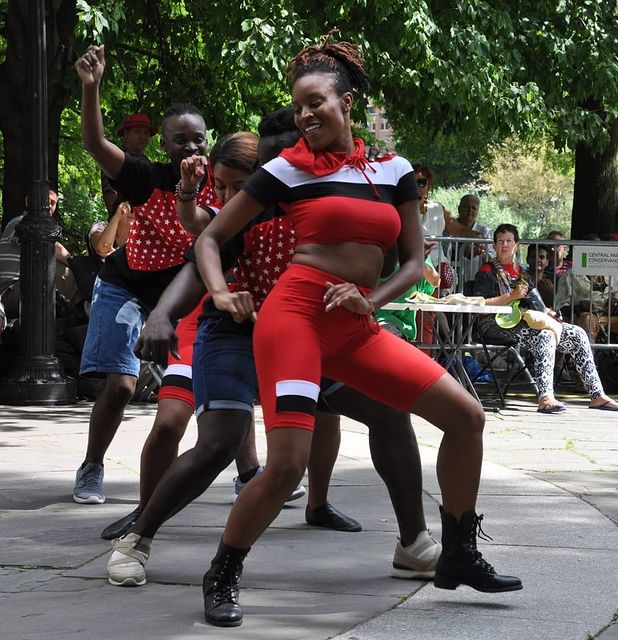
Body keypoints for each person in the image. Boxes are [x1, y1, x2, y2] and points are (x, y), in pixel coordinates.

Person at [194, 37, 521, 627]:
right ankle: (222, 572)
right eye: (297, 108)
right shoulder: (283, 170)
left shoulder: (394, 172)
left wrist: (369, 298)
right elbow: (210, 238)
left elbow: (415, 262)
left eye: (316, 103)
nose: (305, 115)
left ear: (346, 102)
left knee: (466, 418)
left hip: (353, 325)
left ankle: (458, 554)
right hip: (293, 319)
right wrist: (219, 291)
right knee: (287, 464)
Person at [105, 114, 440, 587]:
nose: (226, 197)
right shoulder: (255, 206)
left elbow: (387, 259)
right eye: (223, 187)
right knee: (220, 440)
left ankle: (415, 545)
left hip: (310, 332)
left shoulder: (339, 199)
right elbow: (204, 254)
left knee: (388, 414)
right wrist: (163, 313)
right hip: (236, 333)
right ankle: (137, 539)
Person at [100, 131, 311, 546]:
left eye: (238, 185)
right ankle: (146, 516)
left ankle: (308, 499)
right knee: (173, 425)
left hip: (267, 328)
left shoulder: (291, 214)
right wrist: (189, 191)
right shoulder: (220, 218)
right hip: (210, 323)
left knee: (344, 413)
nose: (229, 194)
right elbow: (196, 229)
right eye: (221, 185)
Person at [72, 44, 216, 505]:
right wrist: (90, 87)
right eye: (180, 140)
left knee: (215, 377)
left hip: (183, 291)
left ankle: (249, 470)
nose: (191, 146)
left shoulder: (224, 183)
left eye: (198, 138)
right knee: (121, 385)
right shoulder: (144, 176)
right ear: (165, 145)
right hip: (127, 285)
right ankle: (92, 466)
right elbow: (95, 145)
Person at [473, 224, 618, 414]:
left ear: (516, 245)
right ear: (494, 246)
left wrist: (552, 314)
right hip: (493, 324)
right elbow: (481, 305)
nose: (504, 245)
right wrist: (510, 297)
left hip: (524, 322)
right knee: (544, 335)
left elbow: (539, 307)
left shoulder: (523, 274)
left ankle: (597, 395)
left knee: (577, 333)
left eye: (509, 241)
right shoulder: (487, 271)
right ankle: (546, 397)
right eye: (500, 241)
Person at [555, 235, 618, 376]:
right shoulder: (570, 276)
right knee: (588, 320)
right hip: (586, 318)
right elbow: (561, 308)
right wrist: (579, 306)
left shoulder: (611, 273)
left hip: (612, 317)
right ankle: (586, 378)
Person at [0, 185, 79, 328]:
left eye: (53, 203)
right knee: (67, 273)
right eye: (45, 200)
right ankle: (82, 315)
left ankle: (74, 316)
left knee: (65, 273)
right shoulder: (21, 222)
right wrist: (77, 266)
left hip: (21, 291)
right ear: (28, 201)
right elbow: (51, 247)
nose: (49, 206)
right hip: (8, 293)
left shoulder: (36, 230)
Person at [102, 113, 156, 215]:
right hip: (124, 220)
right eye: (138, 131)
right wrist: (118, 217)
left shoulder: (145, 162)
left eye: (146, 133)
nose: (143, 137)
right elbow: (109, 192)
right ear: (126, 133)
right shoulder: (115, 157)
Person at [443, 194, 493, 282]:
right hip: (451, 280)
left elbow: (492, 258)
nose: (470, 210)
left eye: (474, 208)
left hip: (476, 281)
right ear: (459, 209)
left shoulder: (485, 232)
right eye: (466, 207)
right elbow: (443, 253)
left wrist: (481, 252)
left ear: (477, 211)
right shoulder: (447, 229)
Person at [526, 243, 555, 308]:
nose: (538, 260)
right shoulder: (520, 280)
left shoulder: (551, 284)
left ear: (547, 262)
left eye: (541, 257)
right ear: (527, 259)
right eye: (534, 256)